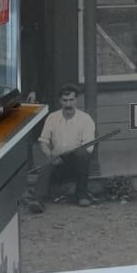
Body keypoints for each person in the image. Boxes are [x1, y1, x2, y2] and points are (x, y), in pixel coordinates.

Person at [29, 83, 96, 212]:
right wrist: (50, 155)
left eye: (71, 100)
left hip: (77, 166)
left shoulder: (86, 119)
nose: (68, 104)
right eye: (65, 101)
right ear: (60, 101)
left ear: (76, 100)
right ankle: (37, 200)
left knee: (81, 153)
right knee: (46, 163)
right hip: (58, 163)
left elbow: (88, 147)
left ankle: (81, 195)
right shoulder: (52, 118)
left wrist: (62, 151)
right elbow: (43, 142)